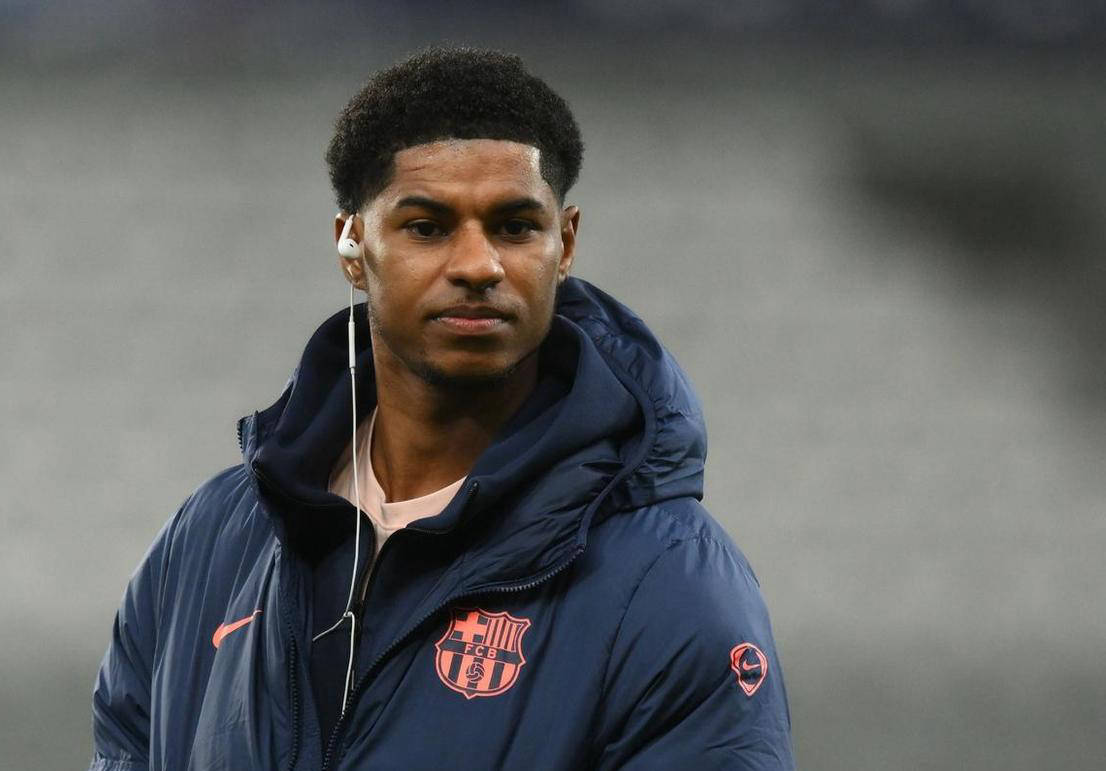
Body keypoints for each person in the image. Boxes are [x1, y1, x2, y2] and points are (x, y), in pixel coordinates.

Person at [90, 47, 795, 770]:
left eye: (515, 226)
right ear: (352, 244)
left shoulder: (671, 584)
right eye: (427, 227)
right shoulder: (207, 544)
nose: (478, 265)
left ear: (565, 243)